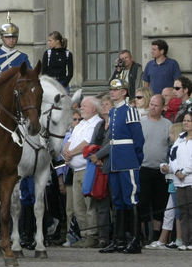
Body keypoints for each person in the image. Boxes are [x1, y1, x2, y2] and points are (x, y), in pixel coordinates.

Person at [98, 77, 145, 254]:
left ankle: (134, 240)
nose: (112, 92)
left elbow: (138, 139)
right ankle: (119, 239)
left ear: (124, 92)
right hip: (115, 160)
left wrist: (136, 160)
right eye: (111, 89)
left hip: (127, 160)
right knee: (117, 200)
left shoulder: (130, 111)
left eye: (116, 89)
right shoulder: (112, 112)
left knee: (131, 198)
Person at [62, 96, 102, 247]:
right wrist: (66, 152)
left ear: (93, 108)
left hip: (87, 168)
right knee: (78, 206)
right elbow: (70, 141)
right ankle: (84, 234)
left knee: (89, 204)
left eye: (85, 106)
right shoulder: (80, 124)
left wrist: (70, 153)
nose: (82, 108)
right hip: (75, 169)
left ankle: (92, 235)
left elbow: (87, 143)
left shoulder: (96, 123)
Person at [138, 93, 172, 246]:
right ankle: (143, 234)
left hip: (160, 170)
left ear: (163, 108)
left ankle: (157, 236)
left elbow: (171, 146)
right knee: (143, 202)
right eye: (151, 104)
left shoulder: (168, 125)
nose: (152, 107)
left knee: (160, 202)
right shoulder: (141, 122)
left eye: (156, 105)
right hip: (143, 167)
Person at [163, 113, 192, 250]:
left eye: (189, 121)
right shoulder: (180, 138)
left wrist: (185, 172)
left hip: (190, 179)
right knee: (183, 212)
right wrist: (176, 171)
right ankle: (186, 241)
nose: (186, 123)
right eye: (185, 121)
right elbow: (172, 157)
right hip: (179, 181)